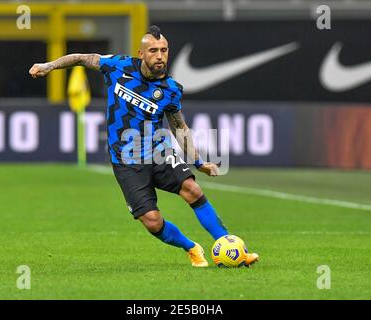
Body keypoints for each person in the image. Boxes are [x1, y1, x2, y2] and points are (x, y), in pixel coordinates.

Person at [29, 25, 259, 267]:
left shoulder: (170, 90)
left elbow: (179, 127)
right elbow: (81, 59)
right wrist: (49, 66)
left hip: (158, 152)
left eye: (164, 50)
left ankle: (231, 247)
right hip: (126, 160)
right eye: (153, 51)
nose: (159, 56)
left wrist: (199, 162)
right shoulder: (118, 66)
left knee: (192, 189)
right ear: (141, 53)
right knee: (152, 221)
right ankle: (191, 247)